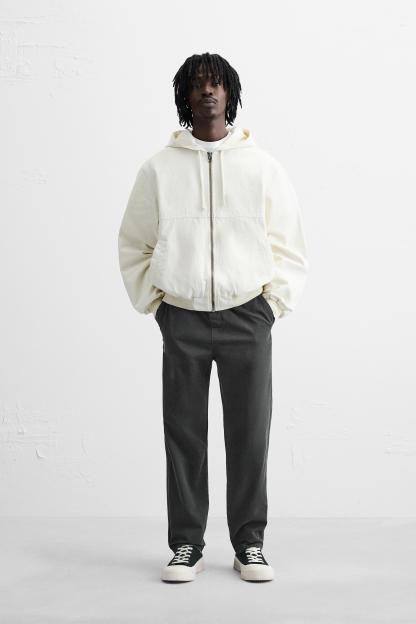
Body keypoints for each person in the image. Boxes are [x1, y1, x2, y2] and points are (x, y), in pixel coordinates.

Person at [118, 52, 308, 583]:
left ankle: (250, 544)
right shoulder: (158, 169)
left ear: (231, 94)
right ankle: (186, 544)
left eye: (217, 84)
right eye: (198, 84)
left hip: (248, 315)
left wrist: (270, 307)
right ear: (185, 95)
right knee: (184, 434)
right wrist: (158, 305)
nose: (208, 92)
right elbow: (134, 242)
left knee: (250, 434)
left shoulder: (261, 166)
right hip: (183, 318)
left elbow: (289, 243)